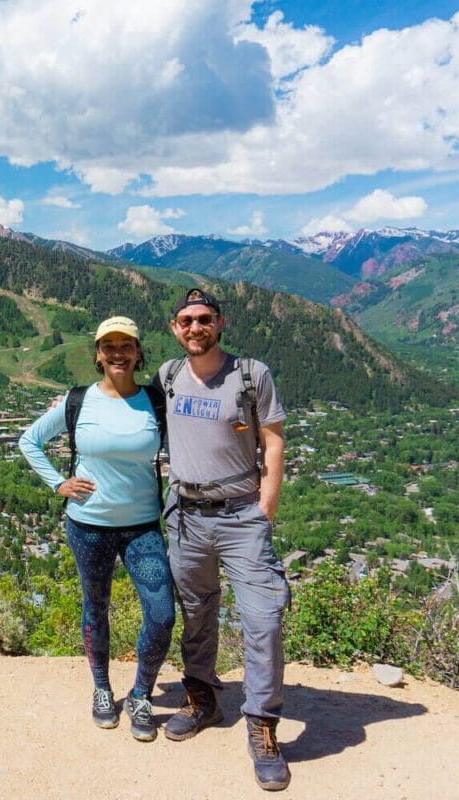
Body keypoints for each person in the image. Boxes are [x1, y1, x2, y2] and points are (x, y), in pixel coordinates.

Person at [154, 288, 291, 791]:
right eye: (186, 320)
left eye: (204, 319)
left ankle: (262, 724)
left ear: (220, 322)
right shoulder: (167, 377)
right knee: (196, 612)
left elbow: (273, 440)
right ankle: (203, 698)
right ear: (175, 328)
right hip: (186, 516)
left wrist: (266, 505)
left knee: (262, 617)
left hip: (240, 515)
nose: (195, 327)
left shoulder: (251, 375)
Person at [18, 316, 174, 742]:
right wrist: (59, 484)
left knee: (161, 615)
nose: (119, 353)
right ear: (98, 355)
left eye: (127, 345)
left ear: (140, 353)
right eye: (110, 346)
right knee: (95, 607)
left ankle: (141, 694)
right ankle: (102, 689)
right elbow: (28, 441)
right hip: (88, 525)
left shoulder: (155, 403)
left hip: (143, 526)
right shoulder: (77, 401)